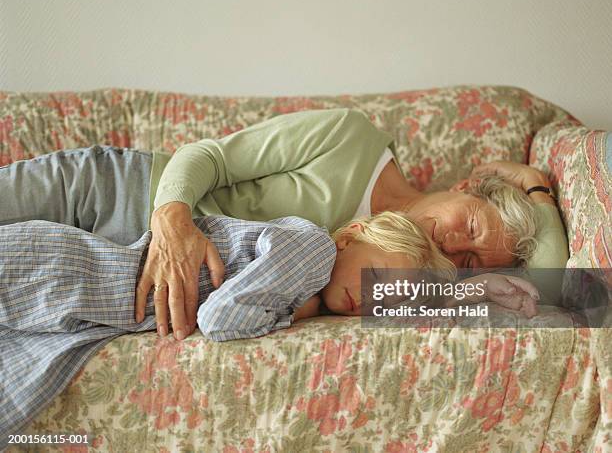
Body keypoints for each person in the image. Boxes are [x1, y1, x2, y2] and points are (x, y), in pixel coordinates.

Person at [0, 108, 568, 342]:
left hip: (108, 279)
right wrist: (172, 223)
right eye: (469, 224)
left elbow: (558, 297)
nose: (451, 244)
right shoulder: (352, 138)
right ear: (464, 186)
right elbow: (208, 157)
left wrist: (540, 194)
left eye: (468, 260)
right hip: (111, 192)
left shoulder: (402, 276)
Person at [0, 209, 540, 448]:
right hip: (63, 271)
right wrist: (299, 313)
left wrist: (477, 290)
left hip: (82, 308)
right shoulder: (312, 248)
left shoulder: (317, 284)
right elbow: (216, 319)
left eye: (385, 296)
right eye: (376, 276)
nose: (370, 297)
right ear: (351, 236)